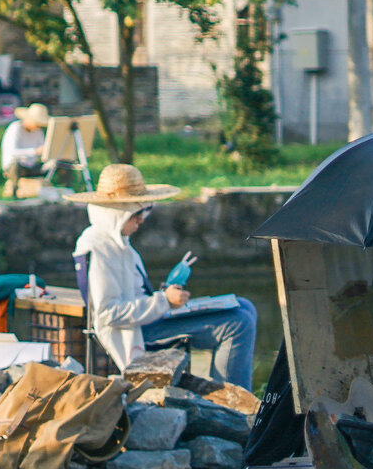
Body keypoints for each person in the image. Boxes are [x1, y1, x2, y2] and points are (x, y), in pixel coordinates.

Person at [71, 163, 258, 389]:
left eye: (143, 212)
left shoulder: (117, 243)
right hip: (137, 333)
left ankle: (232, 397)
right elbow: (107, 313)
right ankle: (233, 408)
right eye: (137, 213)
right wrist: (163, 301)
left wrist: (162, 295)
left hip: (145, 320)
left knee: (245, 305)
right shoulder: (100, 249)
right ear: (117, 214)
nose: (141, 220)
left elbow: (133, 293)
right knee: (238, 324)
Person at [0, 103, 52, 180]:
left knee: (56, 165)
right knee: (16, 167)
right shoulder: (15, 128)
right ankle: (14, 189)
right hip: (15, 166)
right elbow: (12, 151)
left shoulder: (38, 131)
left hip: (31, 165)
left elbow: (43, 148)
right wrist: (34, 151)